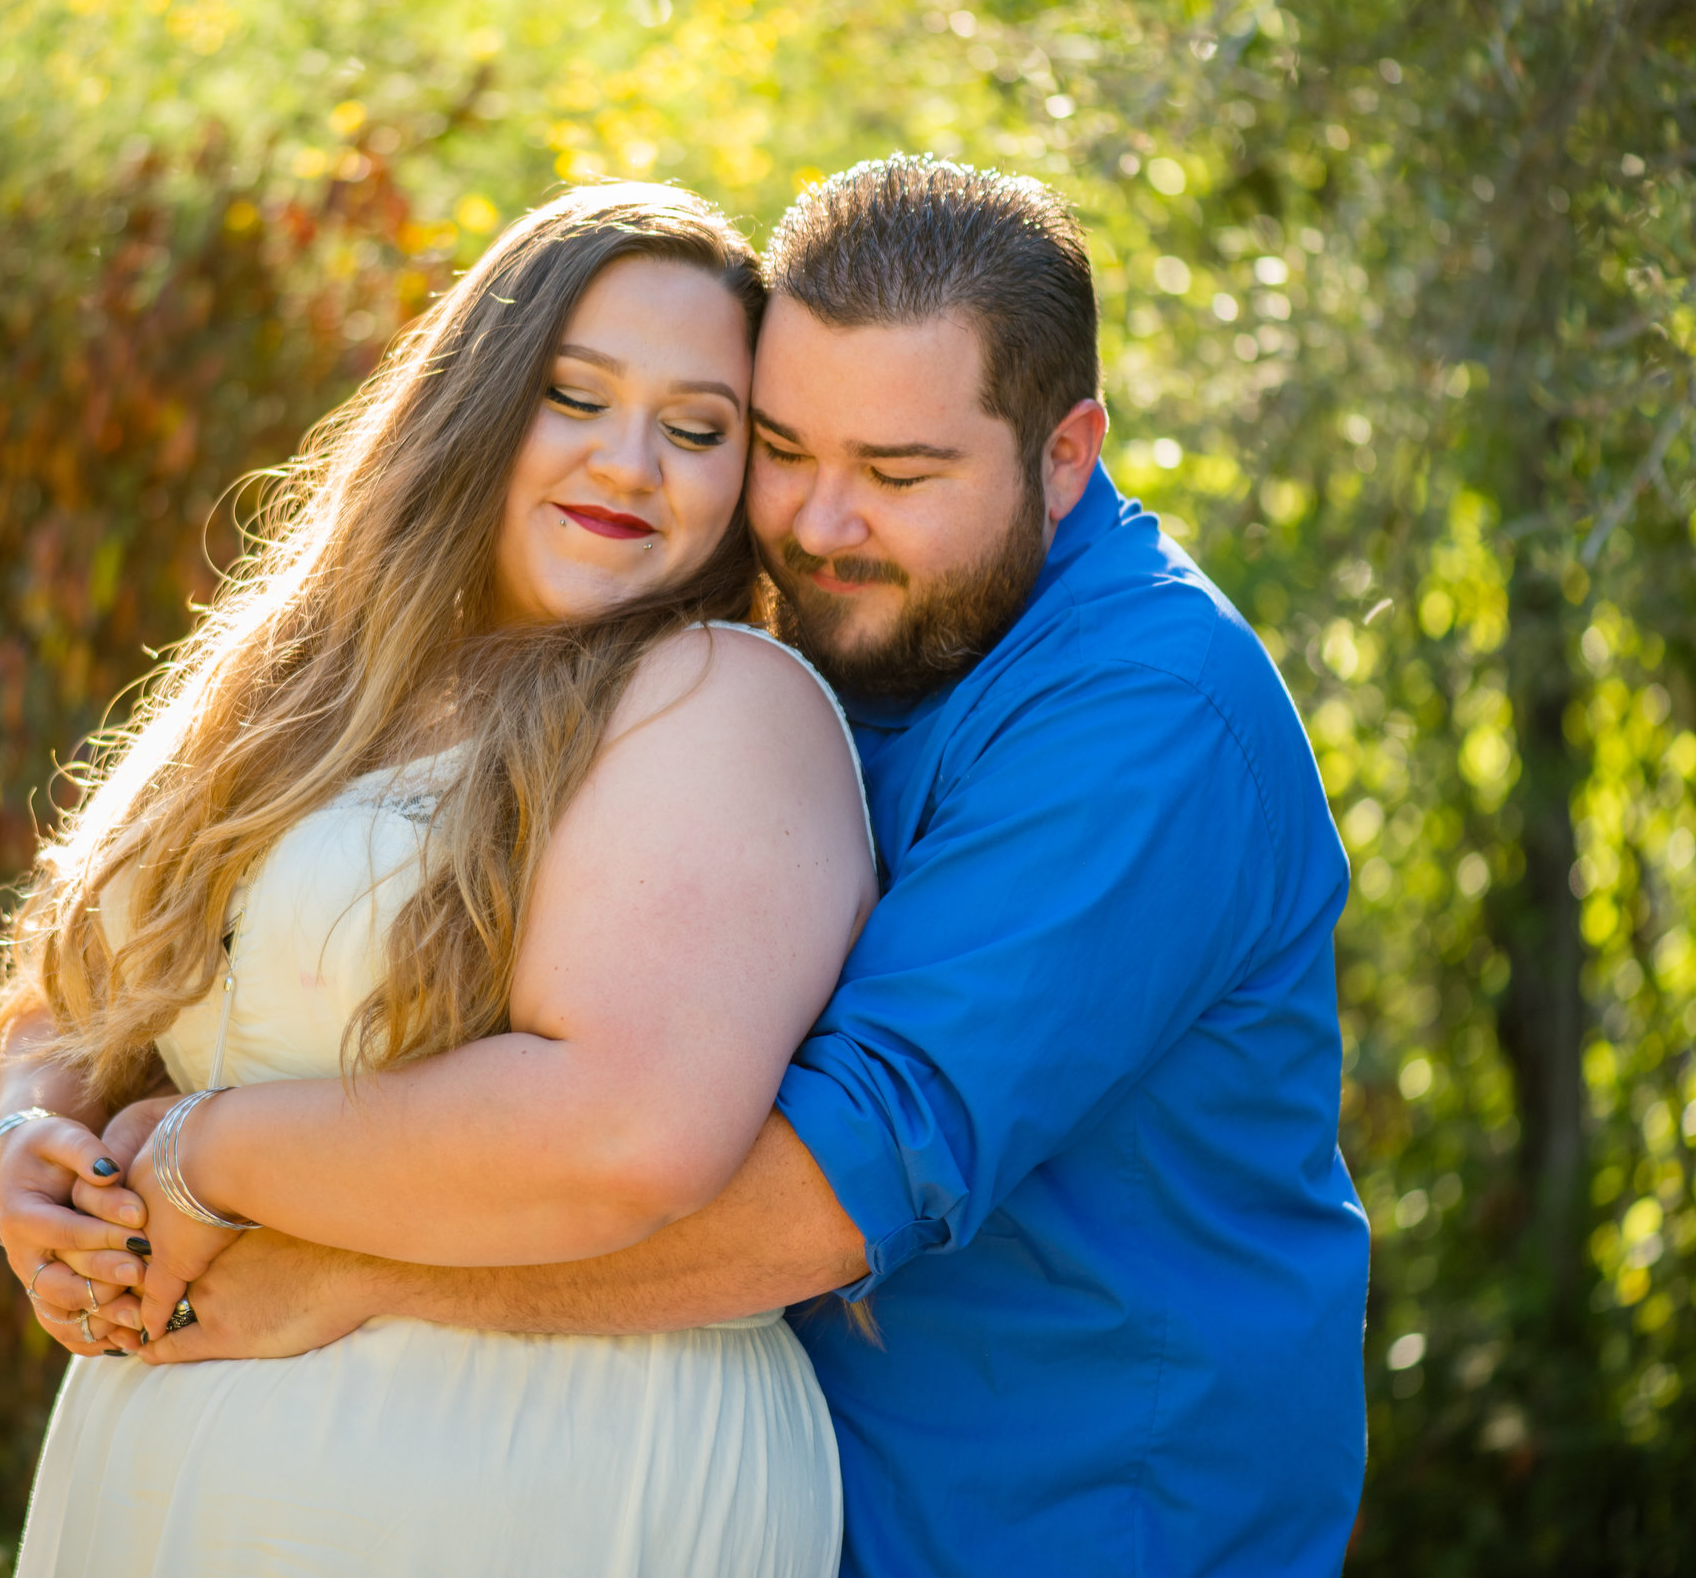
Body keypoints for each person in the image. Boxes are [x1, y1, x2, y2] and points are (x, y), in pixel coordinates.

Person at [98, 157, 1373, 1576]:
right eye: (783, 448)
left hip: (1076, 1523)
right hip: (808, 1506)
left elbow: (825, 1189)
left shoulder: (1148, 716)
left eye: (898, 473)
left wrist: (342, 1267)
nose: (821, 525)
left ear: (1065, 455)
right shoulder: (815, 625)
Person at [0, 182, 875, 1575]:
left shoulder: (716, 699)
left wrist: (204, 1155)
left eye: (698, 430)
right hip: (162, 1485)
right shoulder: (310, 681)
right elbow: (77, 986)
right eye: (577, 398)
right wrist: (27, 1148)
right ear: (481, 401)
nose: (632, 464)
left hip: (543, 1473)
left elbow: (626, 1130)